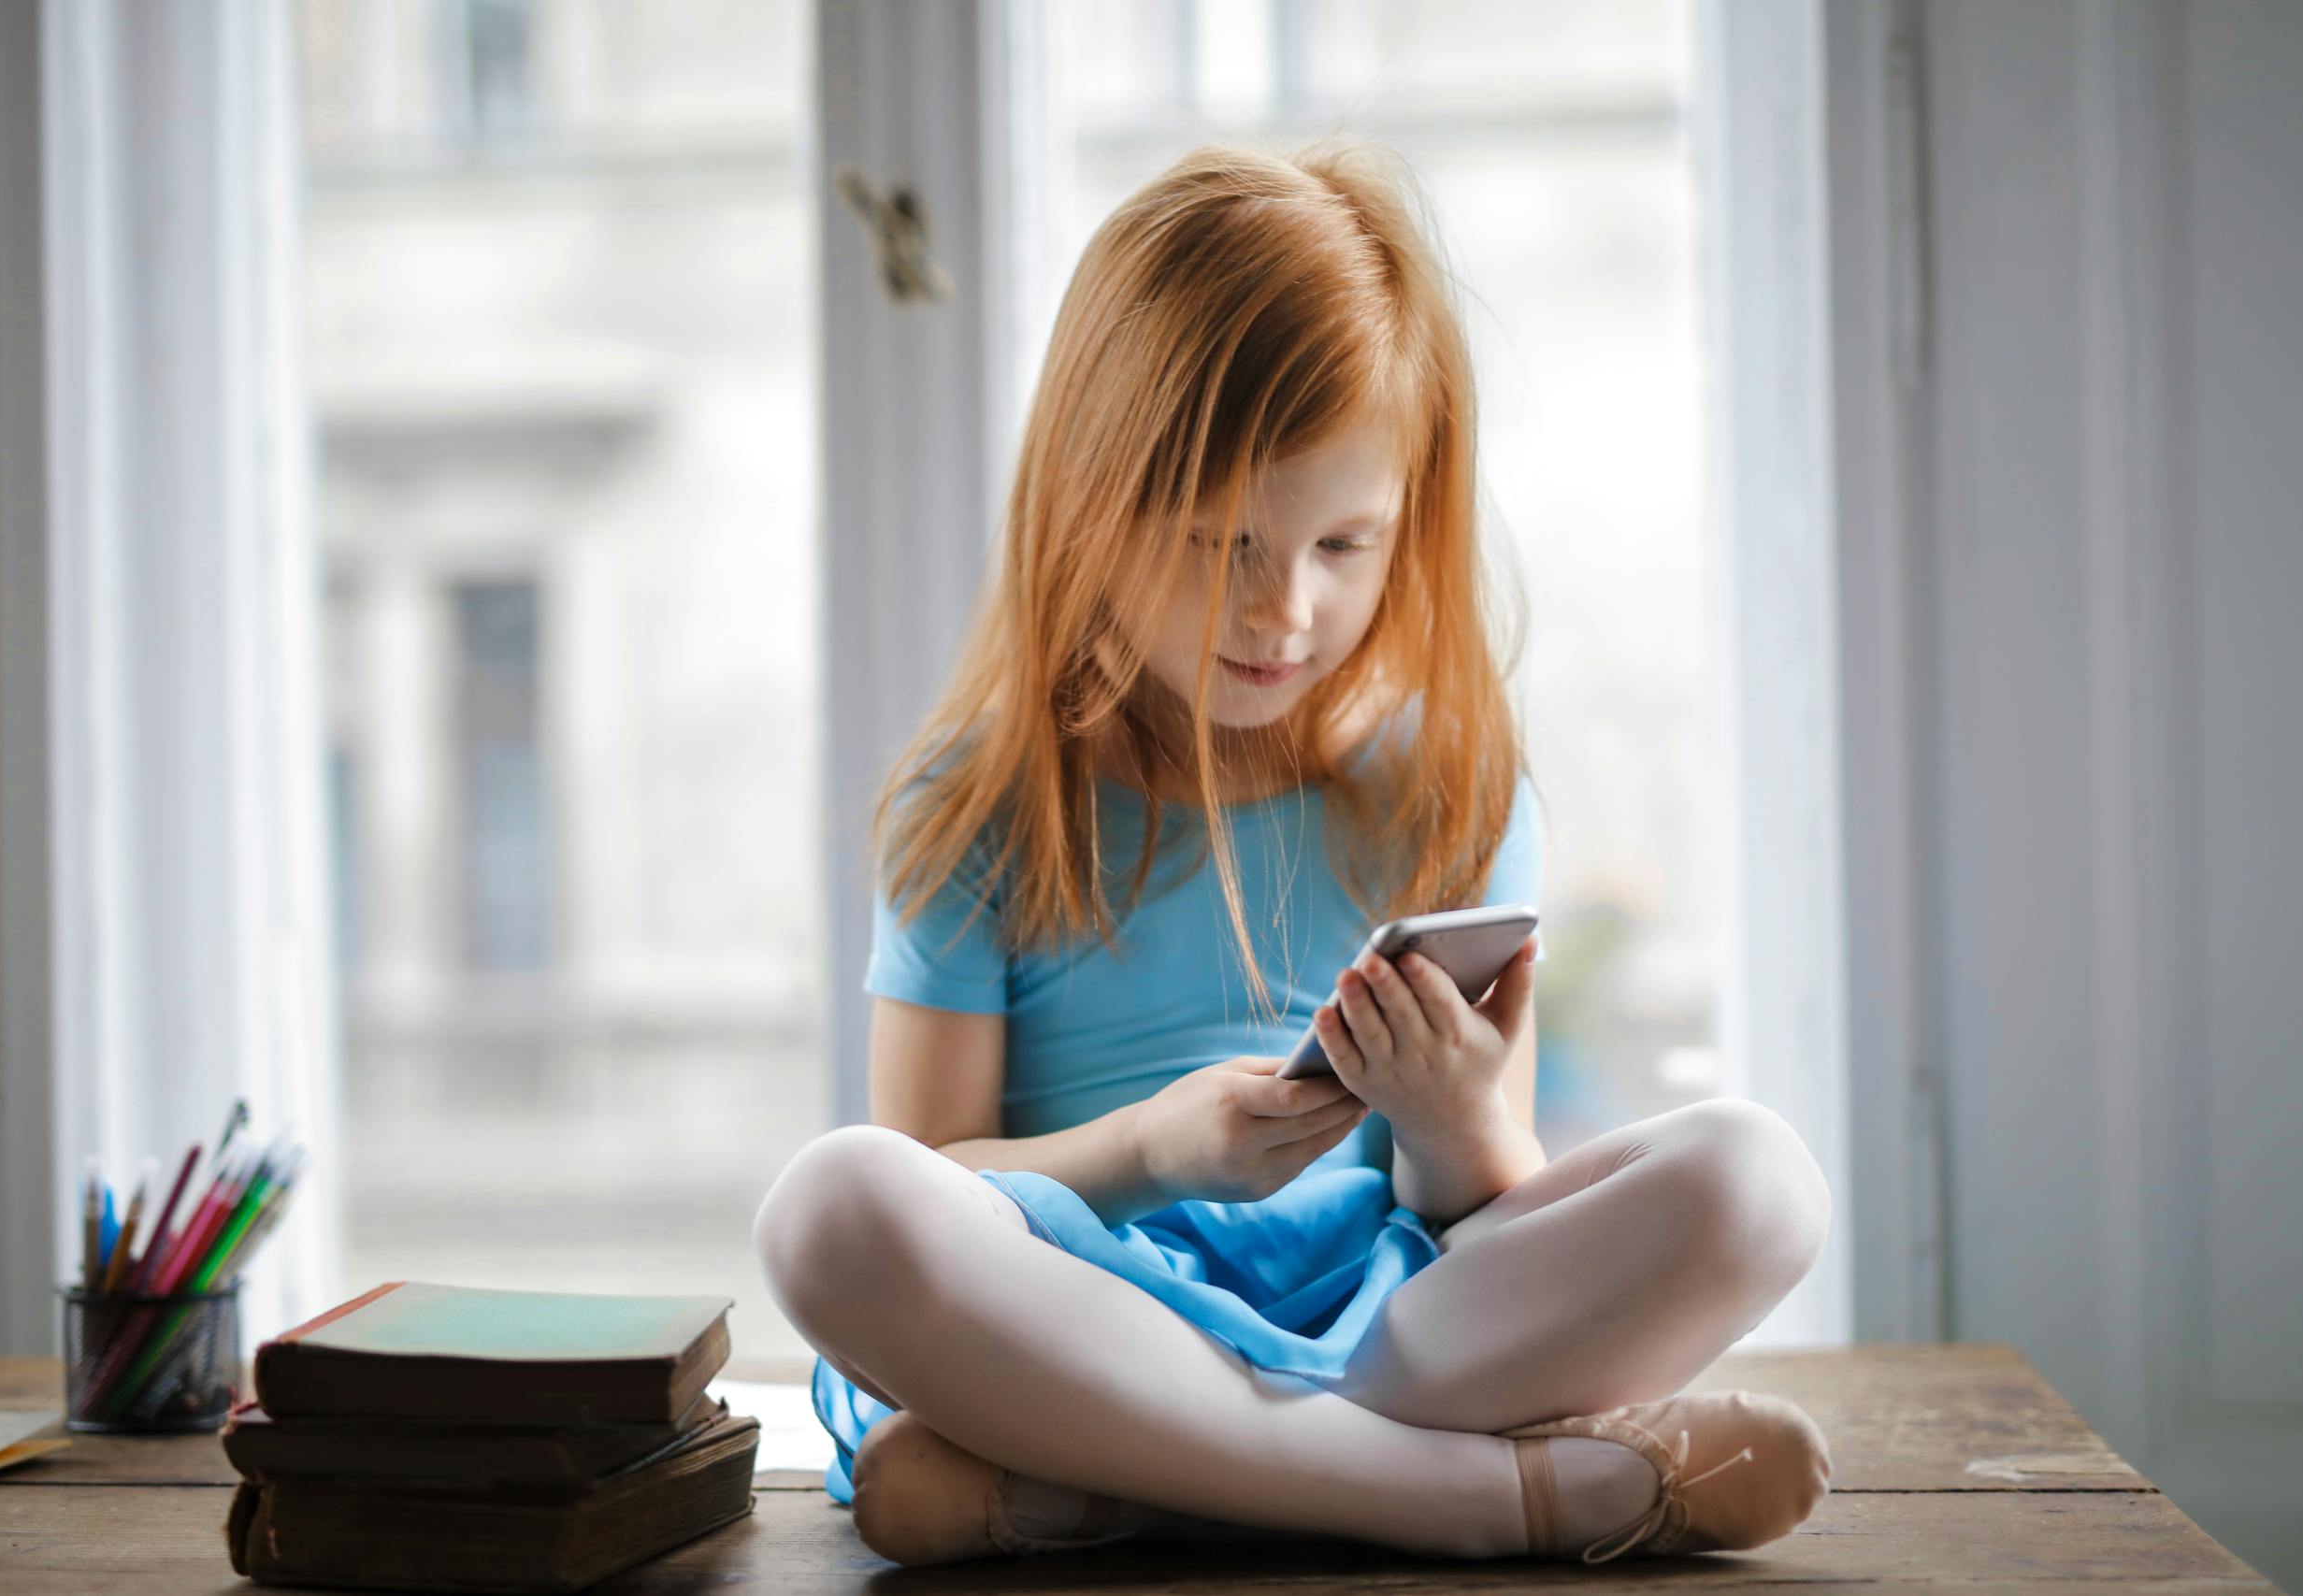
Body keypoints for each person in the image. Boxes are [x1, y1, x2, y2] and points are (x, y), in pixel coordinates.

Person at [754, 138, 1833, 1567]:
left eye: (1345, 544)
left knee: (1758, 1180)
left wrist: (1452, 1122)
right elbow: (935, 1175)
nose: (1282, 612)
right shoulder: (986, 804)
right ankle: (1490, 1499)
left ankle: (1125, 1485)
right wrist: (1156, 1149)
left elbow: (1477, 1214)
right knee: (831, 1209)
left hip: (1383, 1315)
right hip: (1086, 1305)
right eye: (1218, 545)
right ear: (1090, 510)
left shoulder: (1450, 787)